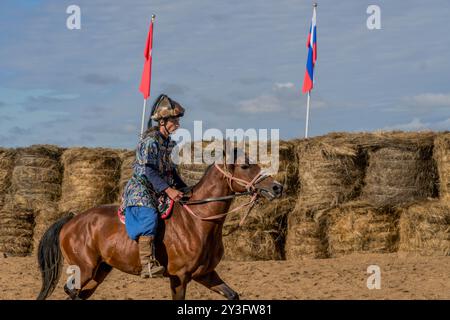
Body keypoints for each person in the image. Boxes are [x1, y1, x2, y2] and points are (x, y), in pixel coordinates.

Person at [121, 94, 187, 278]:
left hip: (160, 186)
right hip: (142, 188)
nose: (177, 123)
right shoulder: (150, 142)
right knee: (149, 216)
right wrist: (169, 190)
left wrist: (185, 188)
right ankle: (147, 263)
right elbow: (149, 171)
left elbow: (172, 171)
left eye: (177, 119)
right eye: (174, 120)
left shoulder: (168, 143)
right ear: (162, 121)